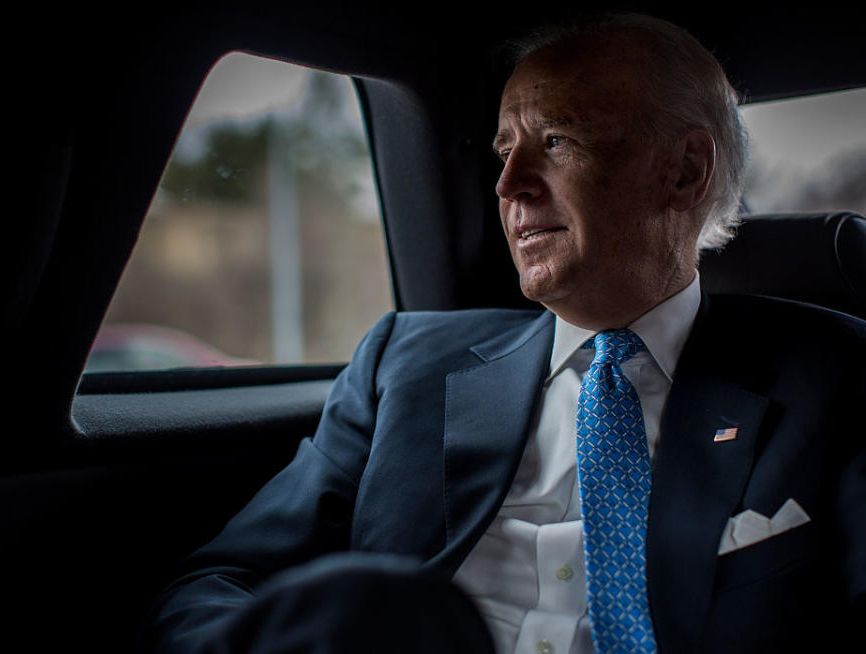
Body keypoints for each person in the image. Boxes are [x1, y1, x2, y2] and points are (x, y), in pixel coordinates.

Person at [142, 12, 865, 654]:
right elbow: (222, 580)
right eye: (503, 150)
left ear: (683, 171)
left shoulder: (837, 377)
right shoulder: (404, 364)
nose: (509, 183)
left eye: (556, 140)